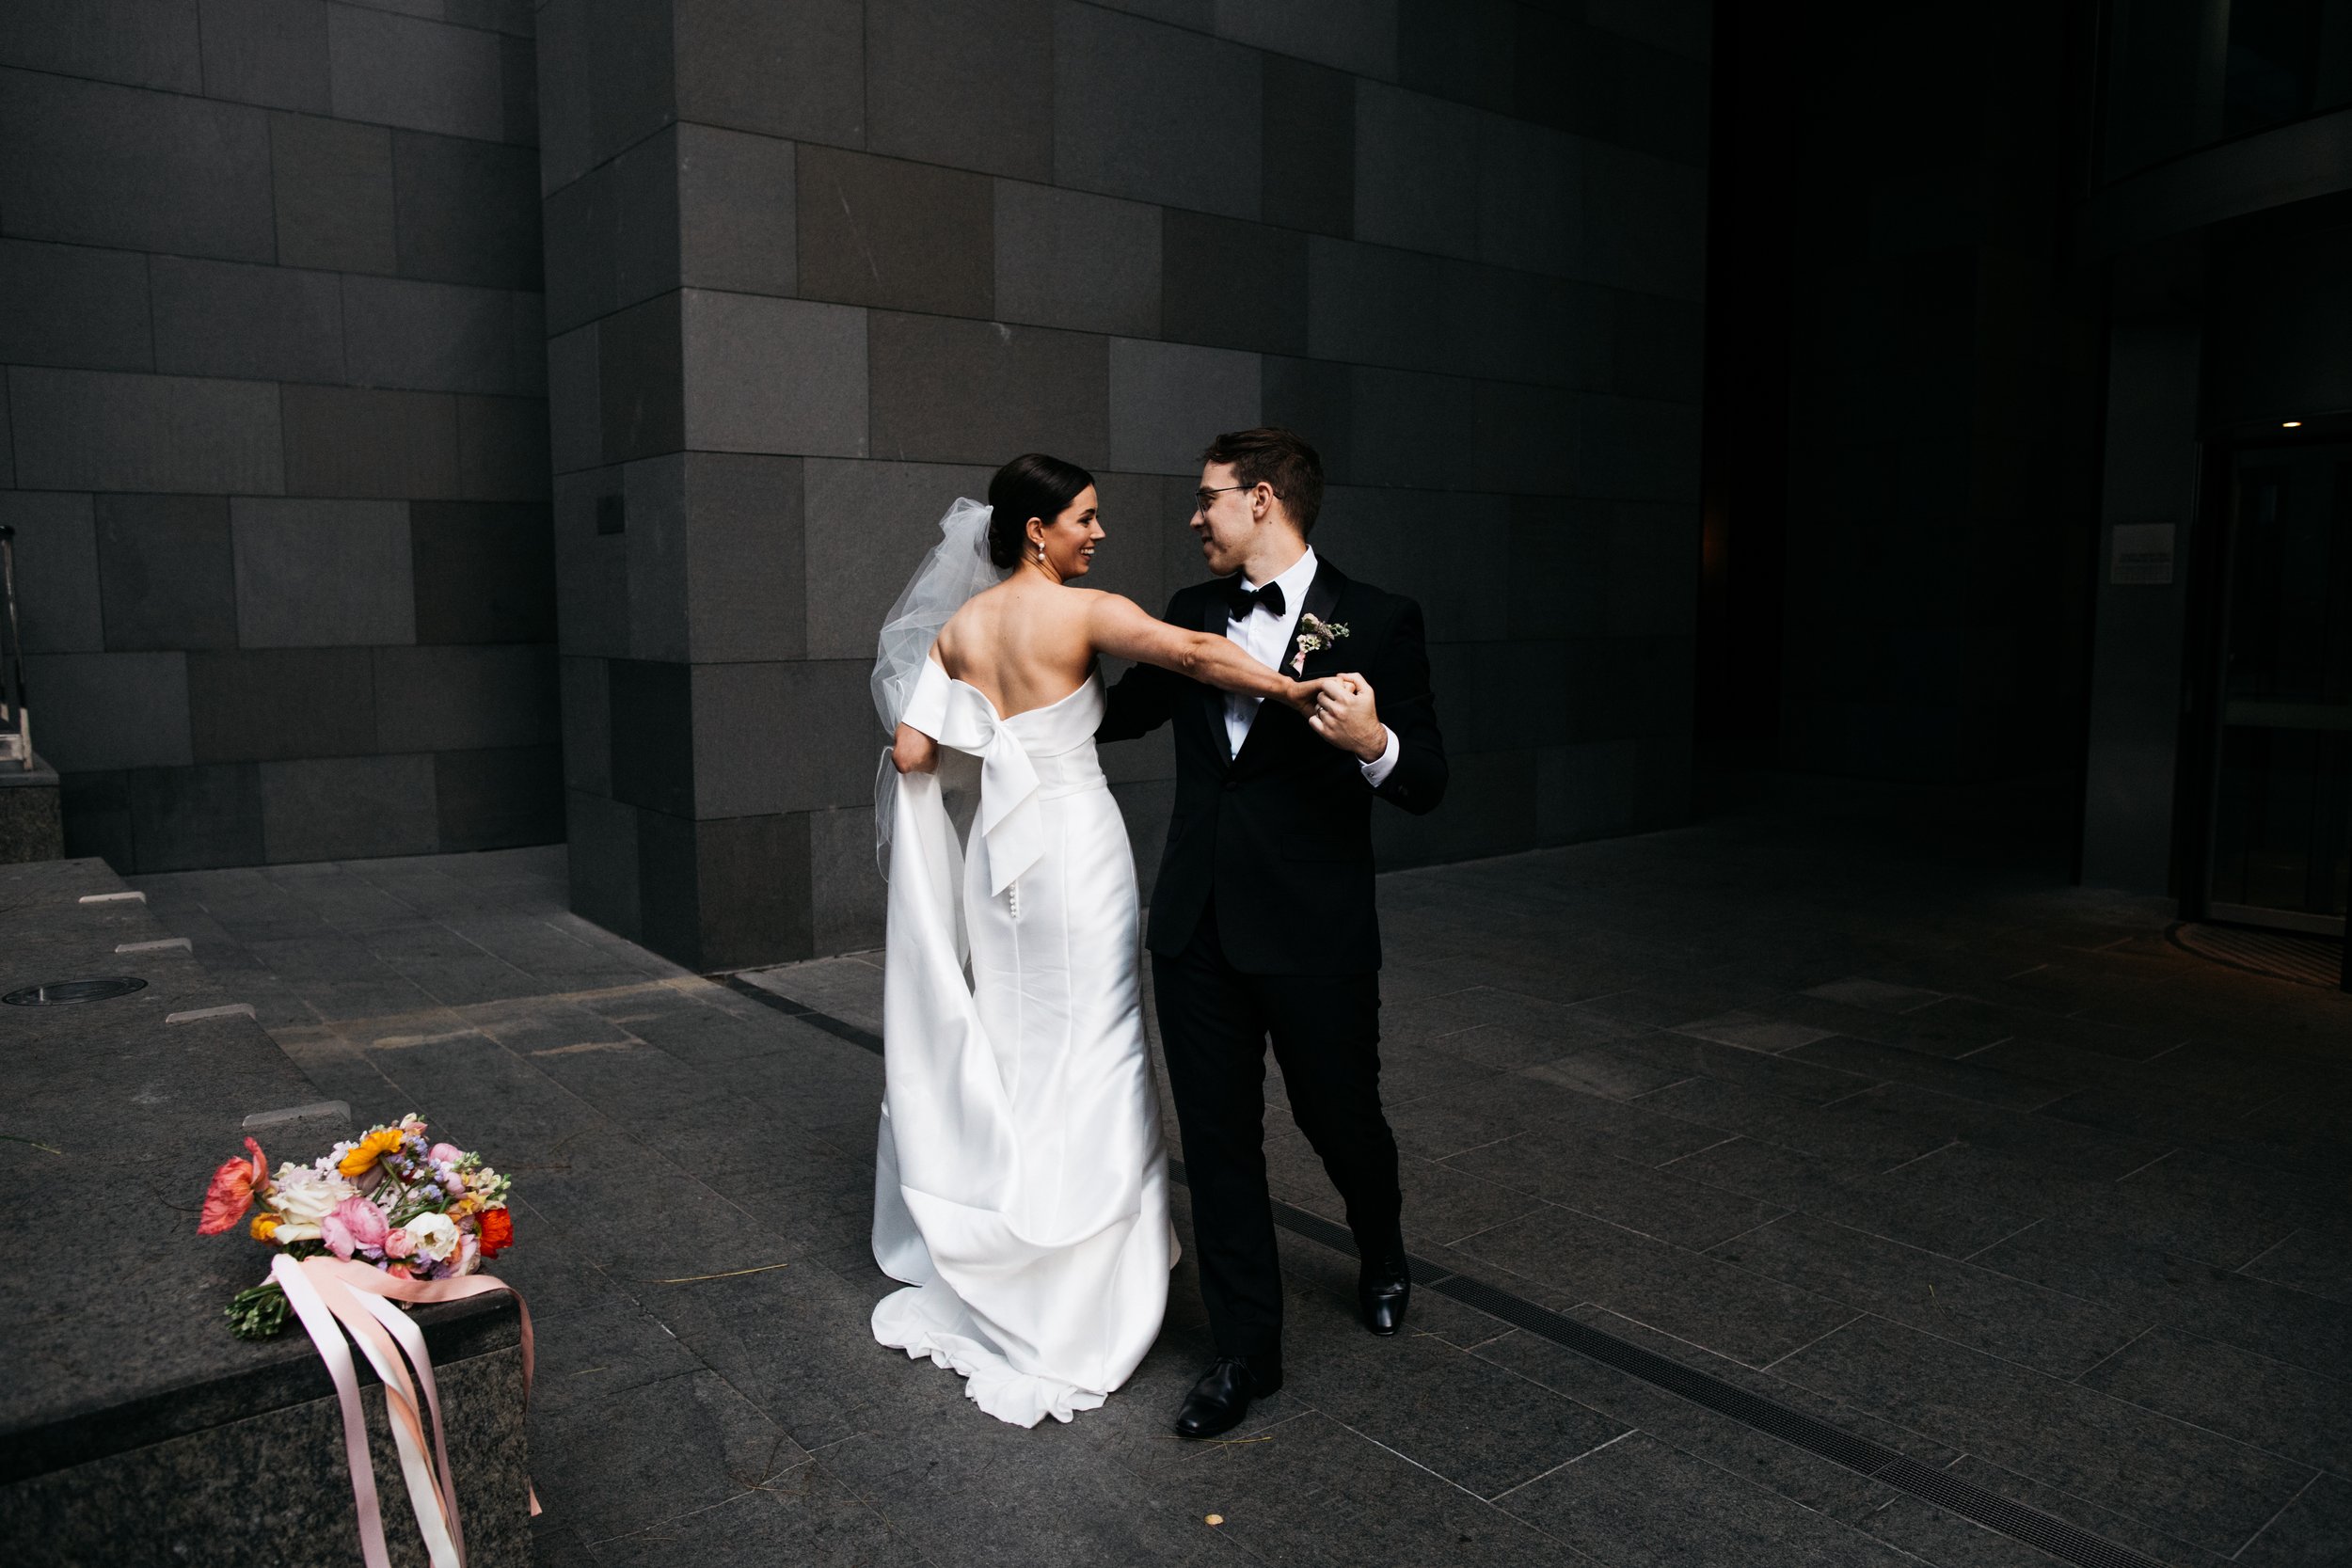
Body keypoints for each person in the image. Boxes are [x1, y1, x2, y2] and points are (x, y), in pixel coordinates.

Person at [866, 452, 1348, 1428]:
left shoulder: (962, 626)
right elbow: (1196, 655)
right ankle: (1084, 1284)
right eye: (1083, 519)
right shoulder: (1082, 612)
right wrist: (1288, 692)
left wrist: (960, 740)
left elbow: (914, 749)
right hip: (1074, 856)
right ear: (1035, 529)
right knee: (1098, 1037)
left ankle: (1011, 1244)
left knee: (1015, 1039)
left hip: (996, 870)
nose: (1097, 534)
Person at [1097, 426, 1448, 1439]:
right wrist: (1018, 636)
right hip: (1196, 925)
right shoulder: (1189, 614)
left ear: (1262, 500)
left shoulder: (1378, 619)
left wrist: (1372, 742)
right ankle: (1245, 1352)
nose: (1194, 515)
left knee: (1339, 1118)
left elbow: (1426, 779)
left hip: (1314, 931)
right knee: (1216, 1143)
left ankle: (1379, 1246)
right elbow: (1116, 718)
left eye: (1208, 497)